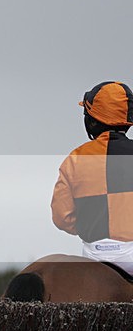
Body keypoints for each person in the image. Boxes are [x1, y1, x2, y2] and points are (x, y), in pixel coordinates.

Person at [51, 80, 133, 276]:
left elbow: (61, 217)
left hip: (92, 256)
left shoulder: (75, 159)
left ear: (92, 120)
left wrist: (90, 225)